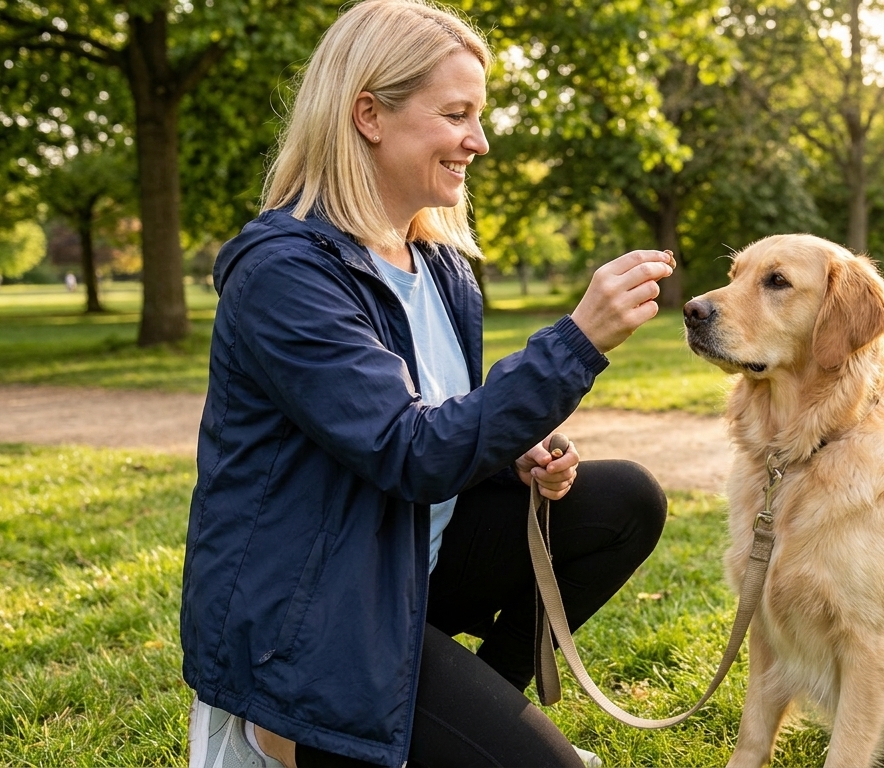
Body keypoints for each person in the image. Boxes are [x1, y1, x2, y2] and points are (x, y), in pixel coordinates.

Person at [179, 2, 674, 766]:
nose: (479, 140)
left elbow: (438, 426)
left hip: (408, 565)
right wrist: (578, 341)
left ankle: (477, 702)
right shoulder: (285, 273)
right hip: (316, 620)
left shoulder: (439, 267)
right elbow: (408, 451)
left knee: (624, 501)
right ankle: (281, 727)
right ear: (369, 114)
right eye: (456, 114)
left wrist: (513, 452)